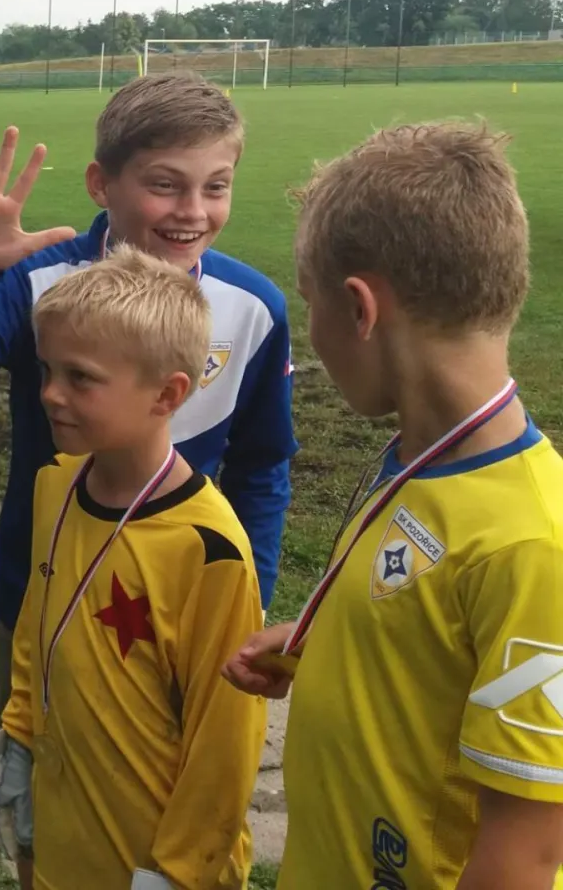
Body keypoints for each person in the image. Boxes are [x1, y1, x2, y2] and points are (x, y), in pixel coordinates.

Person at [0, 72, 296, 747]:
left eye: (216, 187)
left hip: (185, 608)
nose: (193, 210)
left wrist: (251, 594)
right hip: (44, 601)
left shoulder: (254, 307)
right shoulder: (39, 281)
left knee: (169, 781)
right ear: (102, 184)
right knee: (35, 783)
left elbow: (262, 464)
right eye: (166, 184)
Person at [224, 123, 563, 889]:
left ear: (359, 309)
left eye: (308, 302)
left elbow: (524, 857)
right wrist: (323, 645)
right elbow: (433, 629)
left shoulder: (533, 545)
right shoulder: (425, 455)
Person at [0, 246, 266, 890]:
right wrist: (20, 734)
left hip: (150, 859)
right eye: (47, 369)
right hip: (62, 842)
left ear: (167, 393)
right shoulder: (55, 485)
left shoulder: (208, 548)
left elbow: (226, 737)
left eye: (80, 377)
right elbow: (37, 625)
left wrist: (179, 871)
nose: (50, 394)